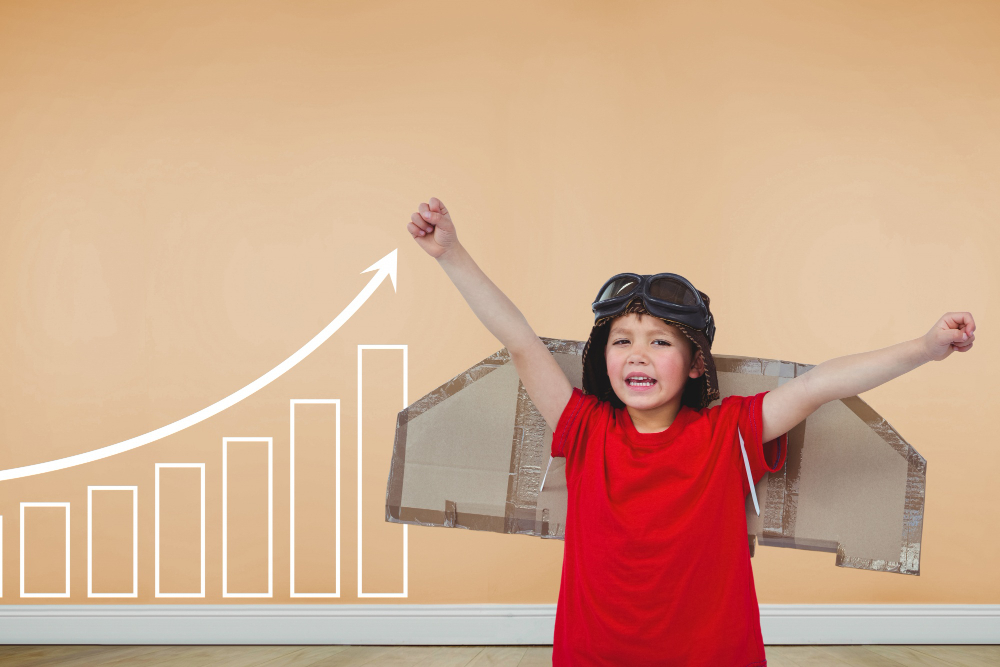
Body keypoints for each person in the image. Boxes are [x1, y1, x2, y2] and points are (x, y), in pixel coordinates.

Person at [406, 196, 976, 666]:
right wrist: (451, 254)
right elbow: (520, 341)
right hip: (595, 654)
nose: (638, 354)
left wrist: (925, 348)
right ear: (604, 359)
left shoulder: (729, 433)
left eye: (660, 341)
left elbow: (819, 385)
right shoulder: (583, 428)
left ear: (697, 364)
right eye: (623, 341)